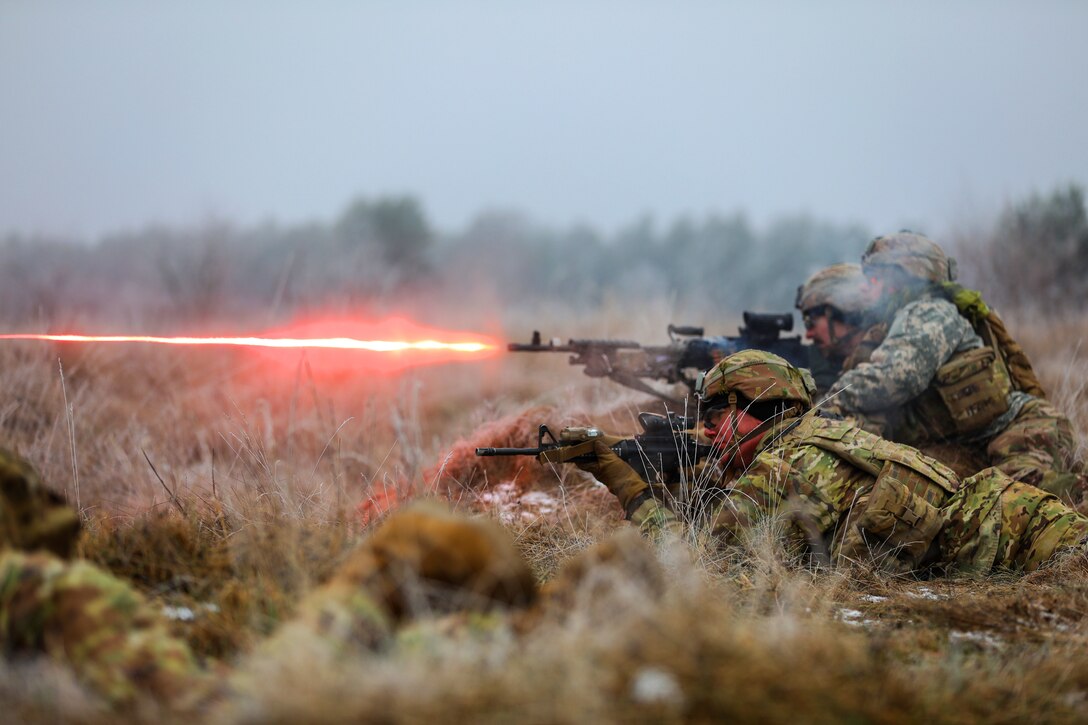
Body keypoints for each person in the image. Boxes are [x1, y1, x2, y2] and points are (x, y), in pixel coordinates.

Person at [575, 350, 1088, 575]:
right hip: (1023, 521)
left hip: (1029, 547)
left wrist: (627, 485)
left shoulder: (785, 469)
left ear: (748, 409)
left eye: (713, 413)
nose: (705, 426)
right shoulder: (820, 436)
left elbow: (699, 567)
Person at [824, 232, 1085, 501]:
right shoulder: (897, 322)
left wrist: (831, 400)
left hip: (1021, 430)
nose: (866, 288)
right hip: (975, 443)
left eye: (874, 278)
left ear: (901, 279)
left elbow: (896, 377)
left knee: (1024, 507)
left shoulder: (930, 312)